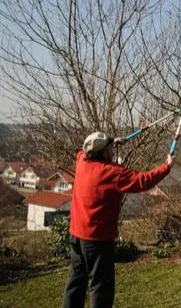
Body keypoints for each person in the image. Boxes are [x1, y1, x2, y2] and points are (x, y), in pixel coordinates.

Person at [62, 131, 174, 308]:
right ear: (104, 151)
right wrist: (166, 167)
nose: (112, 149)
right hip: (97, 241)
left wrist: (112, 141)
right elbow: (143, 180)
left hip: (76, 236)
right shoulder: (113, 173)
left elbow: (84, 150)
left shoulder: (82, 160)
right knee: (101, 288)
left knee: (76, 283)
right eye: (109, 146)